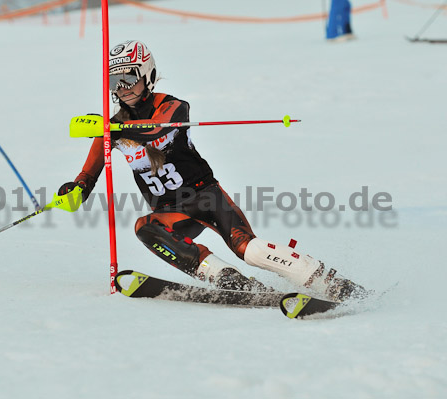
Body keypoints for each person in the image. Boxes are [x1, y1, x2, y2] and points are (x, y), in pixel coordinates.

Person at [59, 40, 365, 302]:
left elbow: (155, 130)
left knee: (249, 248)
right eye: (114, 82)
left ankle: (330, 282)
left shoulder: (172, 107)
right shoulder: (110, 130)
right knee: (145, 227)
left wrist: (114, 127)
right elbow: (87, 178)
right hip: (171, 211)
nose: (122, 89)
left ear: (148, 76)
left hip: (206, 196)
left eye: (128, 78)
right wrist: (74, 192)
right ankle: (230, 281)